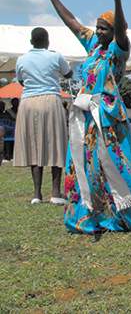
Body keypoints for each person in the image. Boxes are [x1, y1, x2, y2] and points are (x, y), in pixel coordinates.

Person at [39, 0, 131, 234]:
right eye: (98, 27)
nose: (99, 31)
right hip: (86, 116)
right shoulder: (92, 45)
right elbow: (71, 22)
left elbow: (122, 29)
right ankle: (90, 213)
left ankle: (123, 214)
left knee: (114, 162)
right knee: (85, 164)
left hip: (109, 117)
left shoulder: (118, 50)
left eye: (104, 28)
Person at [13, 27, 72, 205]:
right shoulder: (55, 56)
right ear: (47, 41)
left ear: (31, 42)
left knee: (33, 145)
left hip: (28, 102)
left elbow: (22, 80)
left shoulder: (21, 59)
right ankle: (55, 193)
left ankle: (37, 194)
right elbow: (68, 73)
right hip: (50, 100)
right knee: (56, 143)